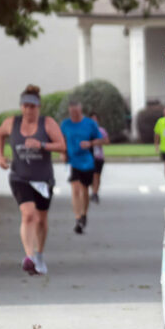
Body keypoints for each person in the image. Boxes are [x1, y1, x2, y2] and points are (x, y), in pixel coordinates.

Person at [0, 85, 66, 276]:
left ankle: (40, 255)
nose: (28, 110)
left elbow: (62, 146)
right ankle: (29, 257)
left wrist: (41, 144)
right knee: (28, 214)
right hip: (20, 177)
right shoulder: (12, 122)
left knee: (41, 220)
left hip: (43, 180)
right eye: (25, 106)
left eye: (32, 107)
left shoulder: (47, 123)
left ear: (38, 107)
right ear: (21, 107)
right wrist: (0, 156)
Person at [60, 100, 108, 234]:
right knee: (75, 189)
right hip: (73, 161)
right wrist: (63, 153)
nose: (74, 115)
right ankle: (77, 218)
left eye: (76, 112)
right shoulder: (65, 124)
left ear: (80, 110)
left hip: (87, 161)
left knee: (84, 190)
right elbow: (61, 140)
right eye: (71, 112)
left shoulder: (90, 124)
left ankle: (84, 214)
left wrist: (90, 143)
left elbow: (102, 140)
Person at [89, 112, 109, 204]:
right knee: (91, 176)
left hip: (98, 157)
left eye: (95, 119)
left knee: (97, 175)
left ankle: (95, 193)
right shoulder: (86, 130)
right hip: (88, 157)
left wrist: (97, 142)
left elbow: (107, 141)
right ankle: (93, 191)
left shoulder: (101, 131)